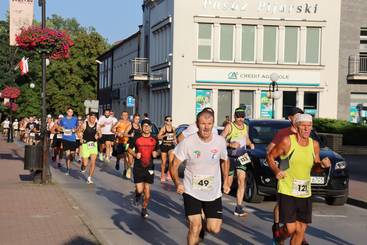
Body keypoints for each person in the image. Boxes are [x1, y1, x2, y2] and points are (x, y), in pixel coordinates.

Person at [267, 114, 331, 245]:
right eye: (303, 126)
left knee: (301, 230)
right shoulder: (287, 141)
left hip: (304, 192)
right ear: (296, 127)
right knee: (290, 228)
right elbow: (270, 156)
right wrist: (276, 170)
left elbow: (315, 169)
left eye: (309, 126)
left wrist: (323, 166)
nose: (307, 129)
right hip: (287, 189)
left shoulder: (314, 145)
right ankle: (278, 238)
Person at [171, 109, 230, 245]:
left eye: (209, 123)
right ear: (197, 125)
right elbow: (174, 165)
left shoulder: (220, 141)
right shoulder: (188, 142)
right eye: (203, 123)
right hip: (191, 189)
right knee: (194, 226)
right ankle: (198, 227)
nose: (206, 127)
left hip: (213, 191)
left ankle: (204, 224)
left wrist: (226, 181)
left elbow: (225, 160)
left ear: (213, 124)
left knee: (214, 228)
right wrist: (177, 183)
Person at [266, 107, 308, 244]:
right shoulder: (283, 133)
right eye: (297, 116)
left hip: (301, 175)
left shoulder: (305, 132)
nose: (300, 119)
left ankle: (301, 235)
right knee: (281, 202)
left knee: (300, 211)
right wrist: (278, 166)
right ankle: (277, 226)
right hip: (286, 170)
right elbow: (269, 150)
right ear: (290, 118)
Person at [220, 107, 254, 216]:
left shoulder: (246, 127)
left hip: (242, 157)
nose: (240, 119)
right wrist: (230, 144)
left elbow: (246, 138)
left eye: (242, 117)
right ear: (235, 117)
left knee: (241, 179)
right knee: (227, 185)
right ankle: (216, 203)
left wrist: (250, 144)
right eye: (238, 117)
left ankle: (238, 207)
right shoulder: (230, 126)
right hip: (230, 158)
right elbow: (219, 140)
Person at [127, 119, 159, 218]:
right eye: (144, 126)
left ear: (150, 127)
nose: (146, 128)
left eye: (148, 126)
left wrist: (156, 153)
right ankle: (137, 195)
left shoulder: (154, 138)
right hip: (138, 166)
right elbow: (128, 148)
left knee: (148, 194)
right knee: (140, 190)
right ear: (142, 127)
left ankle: (144, 209)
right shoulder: (136, 137)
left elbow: (158, 150)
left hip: (149, 167)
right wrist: (135, 154)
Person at [79, 112, 100, 184]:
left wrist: (98, 135)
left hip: (93, 145)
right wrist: (80, 138)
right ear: (89, 118)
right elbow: (79, 132)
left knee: (93, 162)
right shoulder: (85, 124)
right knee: (85, 164)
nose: (93, 119)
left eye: (94, 118)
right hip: (85, 145)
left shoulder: (97, 125)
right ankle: (83, 166)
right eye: (92, 117)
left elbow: (100, 133)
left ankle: (89, 178)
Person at [59, 108, 78, 175]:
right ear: (67, 112)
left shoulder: (75, 119)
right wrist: (62, 129)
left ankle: (72, 158)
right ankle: (68, 169)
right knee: (67, 155)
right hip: (65, 138)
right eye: (69, 111)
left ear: (72, 113)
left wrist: (74, 130)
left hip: (72, 138)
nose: (70, 113)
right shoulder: (63, 119)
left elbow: (77, 127)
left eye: (71, 112)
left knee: (72, 155)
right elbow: (59, 127)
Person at [157, 115, 176, 182]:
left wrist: (175, 141)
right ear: (165, 121)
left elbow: (174, 137)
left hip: (171, 146)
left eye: (170, 120)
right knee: (164, 162)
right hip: (164, 146)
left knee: (171, 161)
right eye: (167, 120)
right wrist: (165, 135)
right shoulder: (163, 128)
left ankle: (169, 173)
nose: (169, 121)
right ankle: (162, 175)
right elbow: (158, 137)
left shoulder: (173, 128)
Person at [112, 111, 131, 175]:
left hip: (127, 141)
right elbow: (112, 129)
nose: (125, 116)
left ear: (128, 116)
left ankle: (125, 169)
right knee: (119, 155)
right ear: (121, 116)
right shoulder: (119, 122)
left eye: (126, 115)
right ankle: (117, 161)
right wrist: (117, 133)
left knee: (126, 155)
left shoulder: (129, 123)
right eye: (123, 115)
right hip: (120, 141)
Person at [125, 113, 142, 179]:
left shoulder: (140, 126)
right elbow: (125, 134)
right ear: (133, 119)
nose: (137, 120)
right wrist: (130, 135)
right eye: (136, 119)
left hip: (137, 145)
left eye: (138, 119)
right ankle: (129, 169)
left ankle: (133, 170)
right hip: (130, 144)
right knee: (130, 160)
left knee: (136, 160)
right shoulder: (130, 125)